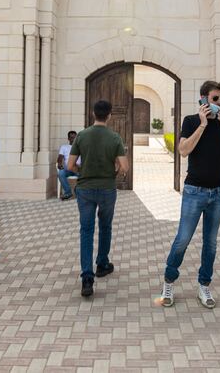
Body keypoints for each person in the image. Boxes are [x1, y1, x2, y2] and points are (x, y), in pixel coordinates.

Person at [159, 80, 220, 309]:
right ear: (203, 99)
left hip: (218, 192)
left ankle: (204, 285)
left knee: (211, 243)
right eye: (215, 99)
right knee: (183, 239)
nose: (219, 103)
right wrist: (203, 125)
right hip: (194, 191)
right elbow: (183, 150)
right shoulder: (191, 121)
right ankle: (169, 281)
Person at [67, 100, 128, 298]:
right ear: (109, 115)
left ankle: (87, 277)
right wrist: (114, 172)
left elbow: (69, 165)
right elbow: (124, 167)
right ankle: (102, 264)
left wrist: (82, 171)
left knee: (86, 230)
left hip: (85, 189)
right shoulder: (115, 137)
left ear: (93, 113)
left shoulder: (82, 135)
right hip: (107, 189)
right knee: (105, 226)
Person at [56, 130, 79, 200]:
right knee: (61, 173)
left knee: (85, 174)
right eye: (71, 138)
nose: (73, 139)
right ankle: (68, 192)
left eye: (75, 138)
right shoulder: (64, 147)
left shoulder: (80, 147)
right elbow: (60, 158)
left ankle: (77, 190)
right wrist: (59, 163)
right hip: (68, 168)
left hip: (78, 169)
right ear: (68, 139)